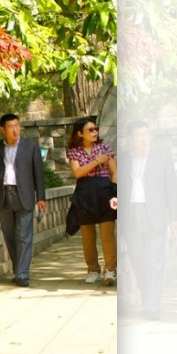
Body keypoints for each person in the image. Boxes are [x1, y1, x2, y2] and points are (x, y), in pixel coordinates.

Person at [121, 120, 177, 317]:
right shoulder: (123, 160)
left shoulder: (161, 157)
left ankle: (152, 306)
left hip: (154, 214)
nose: (144, 139)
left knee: (155, 261)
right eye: (139, 135)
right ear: (129, 139)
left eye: (146, 134)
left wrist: (174, 217)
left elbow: (171, 188)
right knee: (138, 262)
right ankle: (149, 300)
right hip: (131, 215)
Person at [0, 113, 48, 287]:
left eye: (17, 125)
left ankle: (22, 274)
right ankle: (18, 269)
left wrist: (41, 197)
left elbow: (38, 174)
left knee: (24, 236)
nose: (15, 130)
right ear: (2, 130)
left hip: (25, 196)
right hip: (3, 196)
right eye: (11, 127)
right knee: (10, 237)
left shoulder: (31, 147)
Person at [64, 116, 118, 284]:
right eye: (91, 130)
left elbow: (114, 172)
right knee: (87, 236)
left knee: (107, 234)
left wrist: (115, 191)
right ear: (80, 133)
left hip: (104, 193)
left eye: (96, 129)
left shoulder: (104, 148)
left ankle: (110, 270)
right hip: (85, 195)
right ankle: (93, 269)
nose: (95, 132)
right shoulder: (74, 151)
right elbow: (78, 172)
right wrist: (96, 161)